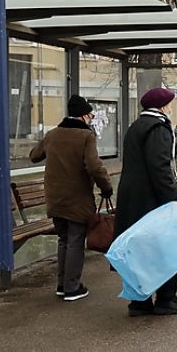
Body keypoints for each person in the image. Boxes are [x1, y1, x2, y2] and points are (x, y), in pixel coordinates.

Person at [114, 87, 177, 317]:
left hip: (133, 198)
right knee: (165, 247)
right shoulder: (159, 128)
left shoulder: (136, 126)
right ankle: (167, 299)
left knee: (140, 251)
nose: (171, 108)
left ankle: (139, 301)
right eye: (170, 103)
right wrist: (172, 199)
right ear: (163, 106)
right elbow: (161, 167)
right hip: (153, 199)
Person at [29, 95, 113, 302]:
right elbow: (94, 166)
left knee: (63, 239)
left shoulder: (52, 134)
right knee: (75, 240)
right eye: (91, 115)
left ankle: (61, 284)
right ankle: (72, 287)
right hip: (77, 198)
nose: (92, 118)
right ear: (84, 115)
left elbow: (34, 155)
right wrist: (106, 188)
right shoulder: (86, 136)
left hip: (55, 197)